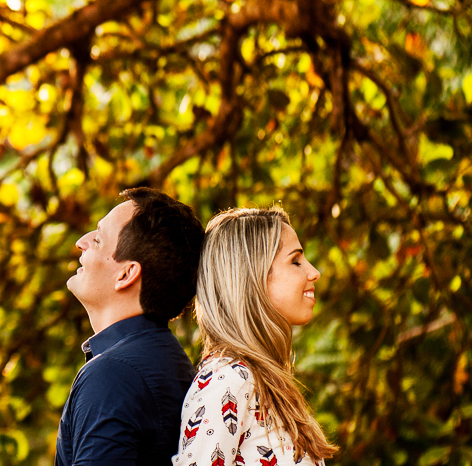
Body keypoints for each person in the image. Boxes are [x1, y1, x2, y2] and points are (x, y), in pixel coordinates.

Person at [173, 207, 338, 466]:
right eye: (295, 261)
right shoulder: (227, 380)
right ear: (252, 276)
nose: (313, 272)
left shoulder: (262, 378)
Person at [56, 187, 206, 466]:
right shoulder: (166, 360)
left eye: (98, 239)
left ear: (126, 274)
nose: (81, 242)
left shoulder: (112, 376)